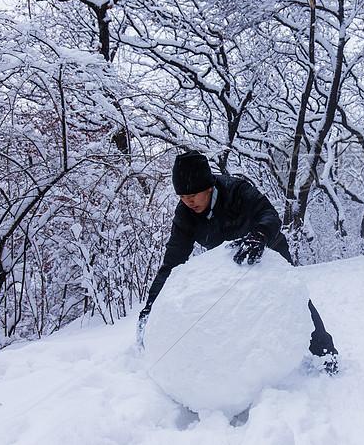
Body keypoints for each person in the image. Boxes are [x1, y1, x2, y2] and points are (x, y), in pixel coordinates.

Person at [138, 150, 338, 373]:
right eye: (182, 197)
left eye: (193, 194)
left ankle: (325, 353)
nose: (188, 201)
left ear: (209, 186)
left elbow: (270, 215)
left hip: (268, 250)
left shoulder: (237, 190)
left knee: (290, 299)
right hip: (231, 265)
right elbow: (172, 263)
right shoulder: (185, 215)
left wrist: (259, 235)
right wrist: (150, 308)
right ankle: (252, 361)